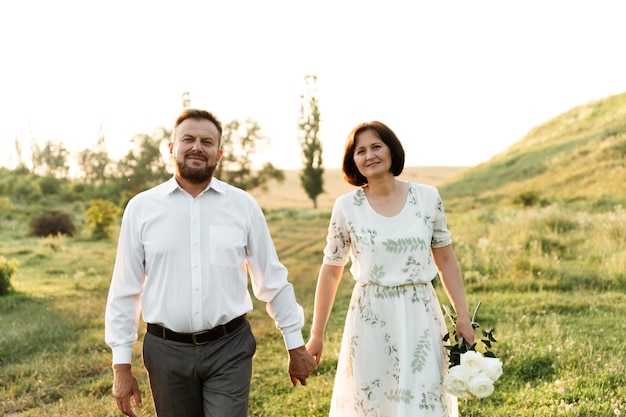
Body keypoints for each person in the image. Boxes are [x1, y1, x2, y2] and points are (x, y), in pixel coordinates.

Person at [105, 108, 316, 417]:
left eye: (206, 141)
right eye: (188, 139)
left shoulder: (243, 206)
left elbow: (272, 279)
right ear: (171, 148)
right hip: (166, 352)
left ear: (218, 153)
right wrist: (121, 366)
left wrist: (295, 344)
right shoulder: (141, 209)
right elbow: (125, 289)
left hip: (229, 348)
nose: (196, 147)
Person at [305, 121, 475, 417]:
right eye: (360, 151)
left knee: (422, 397)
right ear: (353, 161)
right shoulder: (346, 207)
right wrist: (317, 334)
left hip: (419, 311)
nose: (369, 155)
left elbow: (446, 259)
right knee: (374, 401)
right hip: (369, 316)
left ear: (392, 151)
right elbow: (331, 271)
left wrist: (463, 316)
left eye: (376, 147)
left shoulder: (427, 198)